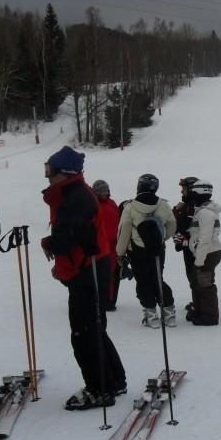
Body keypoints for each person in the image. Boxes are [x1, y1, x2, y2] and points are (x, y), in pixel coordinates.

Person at [41, 146, 126, 409]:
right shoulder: (72, 194)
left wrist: (49, 243)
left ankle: (99, 389)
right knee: (93, 328)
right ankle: (114, 380)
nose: (47, 177)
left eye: (50, 171)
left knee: (84, 333)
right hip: (89, 269)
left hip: (88, 274)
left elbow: (68, 241)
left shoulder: (76, 198)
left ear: (64, 173)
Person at [116, 173, 178, 328]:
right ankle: (169, 312)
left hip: (137, 250)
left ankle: (151, 315)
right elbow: (172, 225)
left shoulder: (130, 206)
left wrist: (120, 253)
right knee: (158, 278)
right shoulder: (163, 205)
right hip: (157, 248)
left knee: (143, 281)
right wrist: (162, 238)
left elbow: (124, 230)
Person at [186, 180, 221, 326]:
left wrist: (199, 261)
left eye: (193, 193)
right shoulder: (203, 210)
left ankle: (210, 317)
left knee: (205, 284)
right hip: (205, 253)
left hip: (207, 254)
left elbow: (205, 238)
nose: (192, 197)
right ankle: (199, 311)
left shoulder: (205, 213)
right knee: (197, 282)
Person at [92, 180, 121, 311]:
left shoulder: (112, 203)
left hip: (114, 244)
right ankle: (101, 299)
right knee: (102, 273)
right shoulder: (93, 204)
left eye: (107, 190)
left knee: (113, 273)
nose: (105, 193)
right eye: (102, 191)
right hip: (100, 244)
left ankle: (110, 300)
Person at [173, 177, 198, 311]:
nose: (182, 192)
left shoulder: (193, 205)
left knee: (194, 274)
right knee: (191, 274)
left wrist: (177, 211)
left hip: (194, 246)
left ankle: (199, 302)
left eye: (184, 189)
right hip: (188, 245)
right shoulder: (189, 204)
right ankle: (197, 300)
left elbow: (183, 224)